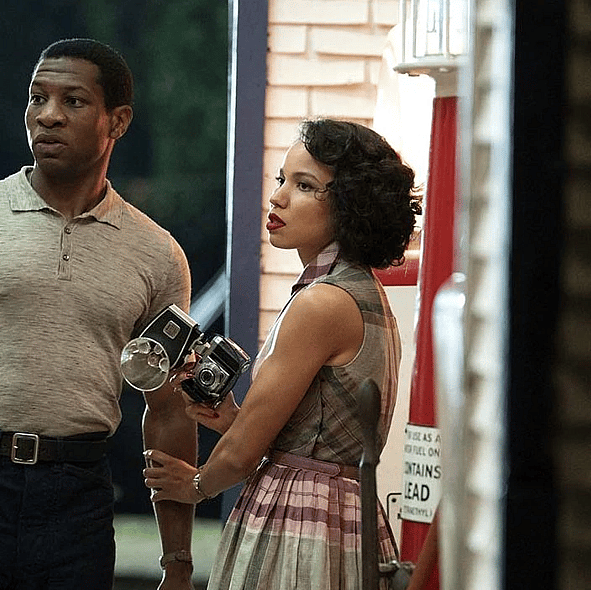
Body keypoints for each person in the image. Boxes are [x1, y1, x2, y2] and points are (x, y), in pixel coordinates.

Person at [0, 38, 197, 590]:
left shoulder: (158, 255)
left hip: (78, 496)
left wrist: (178, 562)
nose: (48, 115)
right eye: (37, 97)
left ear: (117, 121)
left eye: (73, 101)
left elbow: (168, 412)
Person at [143, 118, 421, 590]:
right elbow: (311, 439)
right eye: (281, 179)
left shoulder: (322, 302)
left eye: (305, 185)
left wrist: (194, 485)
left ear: (350, 203)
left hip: (300, 520)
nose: (277, 198)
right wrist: (233, 419)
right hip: (344, 516)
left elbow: (241, 456)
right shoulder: (361, 293)